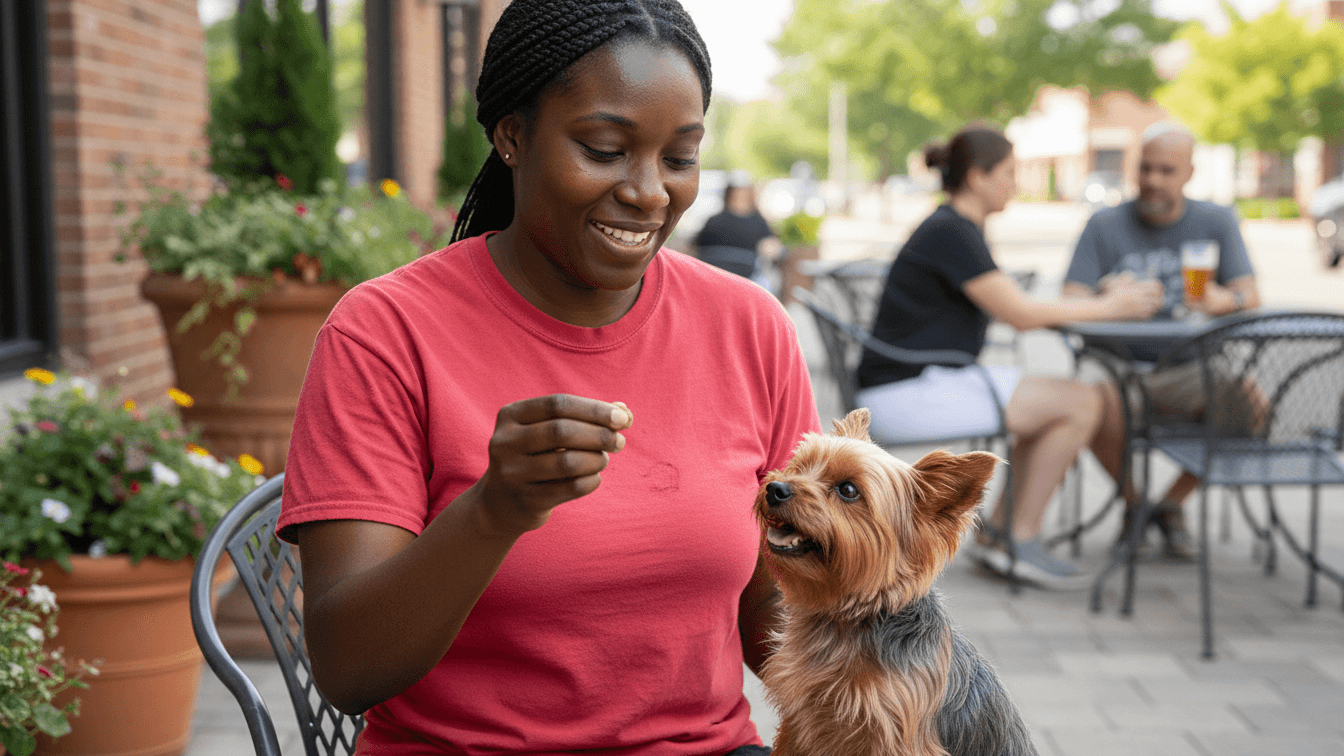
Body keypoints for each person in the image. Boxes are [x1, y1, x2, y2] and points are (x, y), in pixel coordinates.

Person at [276, 2, 819, 754]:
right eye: (604, 149)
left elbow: (777, 617)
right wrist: (493, 511)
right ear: (512, 135)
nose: (649, 192)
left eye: (679, 158)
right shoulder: (384, 334)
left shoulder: (748, 327)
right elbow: (348, 668)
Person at [855, 125, 1162, 590]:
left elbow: (1016, 303)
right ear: (977, 177)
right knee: (1082, 401)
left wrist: (1100, 298)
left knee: (1071, 401)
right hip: (906, 393)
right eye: (1009, 173)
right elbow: (1019, 313)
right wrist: (1111, 307)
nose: (1015, 185)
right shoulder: (951, 232)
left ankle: (1001, 535)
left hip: (921, 381)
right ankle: (1018, 539)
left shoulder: (955, 227)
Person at [1062, 121, 1262, 559]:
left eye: (1166, 170)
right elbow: (1070, 298)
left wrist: (1223, 300)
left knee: (1252, 405)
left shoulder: (1215, 221)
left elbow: (1250, 294)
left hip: (1188, 367)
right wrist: (1106, 298)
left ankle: (1171, 504)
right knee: (1090, 399)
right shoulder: (1104, 224)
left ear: (1189, 172)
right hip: (1118, 366)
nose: (1153, 179)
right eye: (1145, 168)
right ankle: (1134, 503)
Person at [693, 179, 784, 290]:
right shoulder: (758, 222)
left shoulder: (713, 220)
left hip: (710, 276)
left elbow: (695, 247)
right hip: (746, 279)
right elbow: (772, 250)